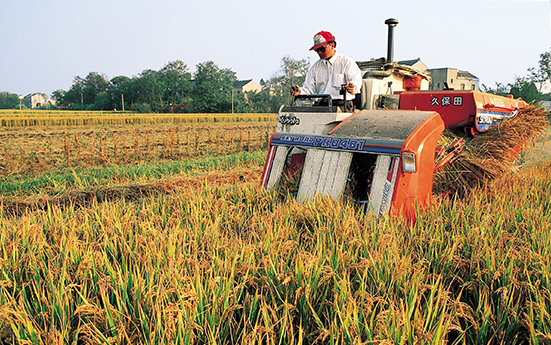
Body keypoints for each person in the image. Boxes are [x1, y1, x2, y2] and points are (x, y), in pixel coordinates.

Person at [291, 31, 362, 111]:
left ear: (332, 45)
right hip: (322, 105)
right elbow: (309, 90)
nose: (319, 52)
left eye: (322, 49)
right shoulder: (315, 68)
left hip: (342, 106)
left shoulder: (346, 62)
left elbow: (356, 81)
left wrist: (352, 87)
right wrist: (300, 92)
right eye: (317, 50)